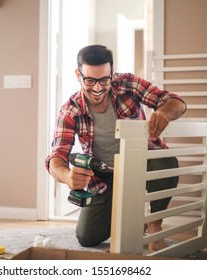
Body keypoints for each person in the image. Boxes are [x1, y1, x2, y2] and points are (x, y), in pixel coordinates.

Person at [45, 45, 187, 253]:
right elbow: (56, 157)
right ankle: (133, 219)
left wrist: (165, 111)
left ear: (112, 72)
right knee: (87, 237)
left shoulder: (128, 83)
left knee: (166, 161)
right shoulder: (70, 110)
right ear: (78, 75)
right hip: (104, 176)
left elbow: (177, 102)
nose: (97, 88)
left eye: (104, 80)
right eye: (90, 80)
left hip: (142, 161)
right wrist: (67, 176)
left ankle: (154, 226)